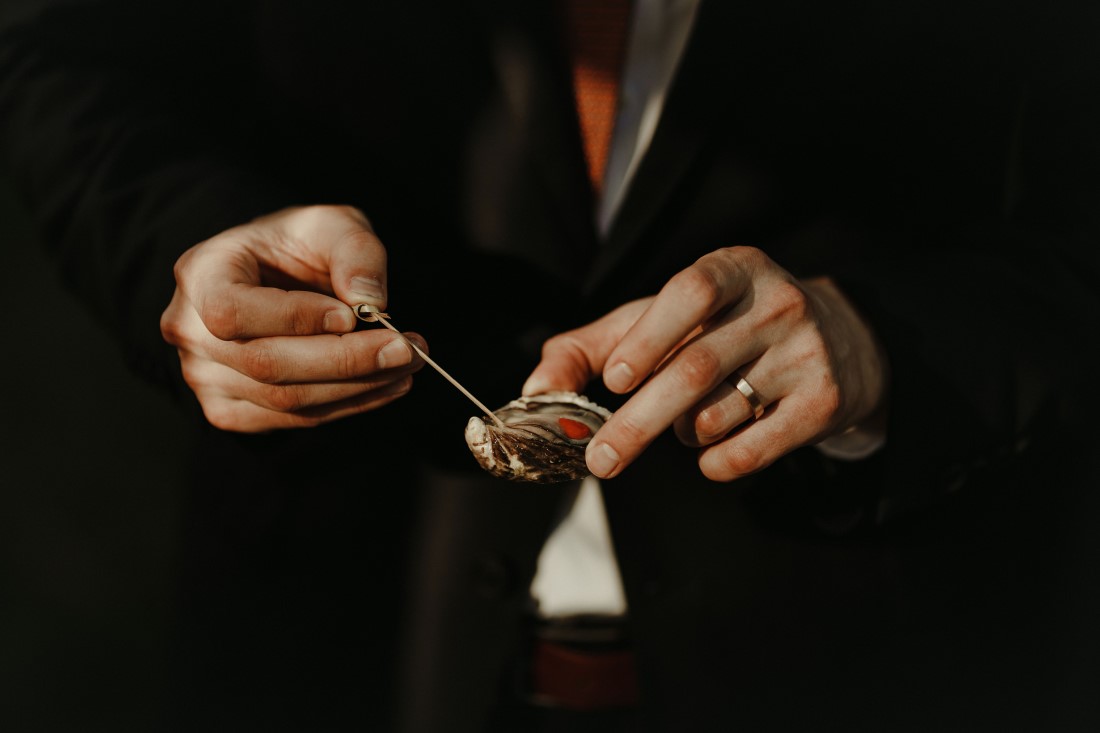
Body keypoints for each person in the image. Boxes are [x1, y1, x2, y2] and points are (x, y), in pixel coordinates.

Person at [2, 1, 1098, 731]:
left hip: (878, 657)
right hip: (352, 623)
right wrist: (192, 246)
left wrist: (887, 339)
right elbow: (77, 64)